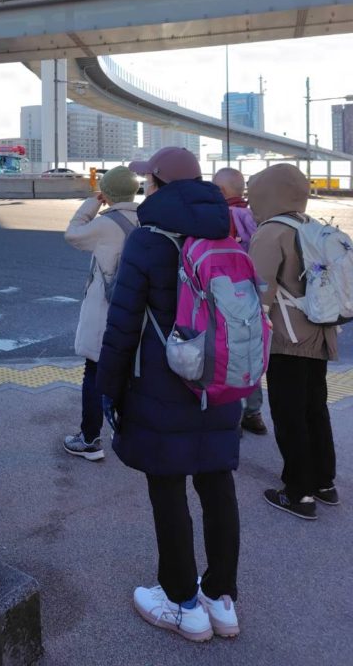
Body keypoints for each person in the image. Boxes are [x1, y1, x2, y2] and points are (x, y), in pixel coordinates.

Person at [97, 147, 241, 642]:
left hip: (162, 386)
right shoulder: (227, 230)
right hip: (220, 381)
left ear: (158, 184)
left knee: (168, 488)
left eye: (148, 182)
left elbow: (122, 326)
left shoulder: (147, 239)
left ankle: (182, 602)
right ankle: (221, 600)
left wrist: (108, 391)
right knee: (218, 485)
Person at [247, 163, 339, 520]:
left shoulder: (271, 232)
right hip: (321, 332)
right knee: (315, 408)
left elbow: (258, 290)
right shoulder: (313, 226)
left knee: (289, 414)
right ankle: (324, 482)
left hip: (287, 336)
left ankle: (298, 492)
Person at [63, 166, 140, 461]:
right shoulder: (145, 220)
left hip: (104, 311)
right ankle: (128, 434)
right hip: (133, 309)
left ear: (107, 193)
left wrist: (92, 204)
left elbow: (73, 234)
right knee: (129, 374)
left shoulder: (105, 224)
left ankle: (90, 439)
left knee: (95, 373)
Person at [213, 167, 266, 436]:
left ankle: (231, 416)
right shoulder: (256, 217)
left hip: (228, 297)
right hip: (254, 296)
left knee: (229, 354)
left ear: (221, 191)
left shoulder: (223, 216)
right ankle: (254, 412)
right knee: (251, 351)